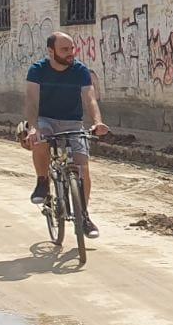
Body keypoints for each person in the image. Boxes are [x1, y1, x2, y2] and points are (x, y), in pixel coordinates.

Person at [24, 32, 110, 237]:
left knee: (82, 167)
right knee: (40, 139)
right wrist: (33, 127)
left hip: (73, 122)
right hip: (46, 119)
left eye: (72, 49)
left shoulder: (80, 70)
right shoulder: (37, 70)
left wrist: (97, 122)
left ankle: (84, 217)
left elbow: (90, 99)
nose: (71, 53)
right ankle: (43, 181)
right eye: (65, 49)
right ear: (51, 51)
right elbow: (31, 101)